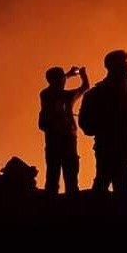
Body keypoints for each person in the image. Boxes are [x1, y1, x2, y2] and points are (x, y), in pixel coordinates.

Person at [79, 50, 127, 199]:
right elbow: (86, 122)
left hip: (125, 141)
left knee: (122, 179)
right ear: (113, 66)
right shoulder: (99, 92)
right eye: (123, 63)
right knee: (106, 178)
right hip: (109, 142)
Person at [39, 65, 89, 195]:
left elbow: (54, 84)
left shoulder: (45, 94)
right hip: (67, 138)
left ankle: (51, 203)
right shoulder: (68, 96)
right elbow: (85, 87)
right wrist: (83, 74)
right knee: (71, 173)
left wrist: (67, 75)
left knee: (52, 173)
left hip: (51, 139)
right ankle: (71, 203)